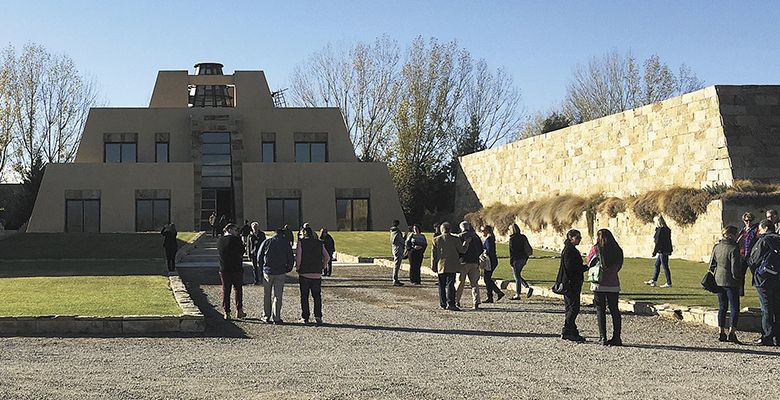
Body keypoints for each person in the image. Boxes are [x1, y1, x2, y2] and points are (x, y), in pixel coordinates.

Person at [586, 229, 624, 346]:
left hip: (599, 283)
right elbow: (619, 265)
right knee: (614, 310)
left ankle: (603, 337)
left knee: (600, 310)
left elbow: (589, 263)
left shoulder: (596, 249)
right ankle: (617, 337)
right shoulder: (618, 250)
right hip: (613, 283)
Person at [747, 219, 780, 346]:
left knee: (766, 308)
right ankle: (778, 337)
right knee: (777, 307)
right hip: (777, 278)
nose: (759, 232)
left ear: (765, 228)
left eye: (760, 229)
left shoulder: (763, 240)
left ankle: (767, 336)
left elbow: (754, 260)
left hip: (764, 279)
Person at [708, 225, 743, 344]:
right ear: (732, 235)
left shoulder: (717, 247)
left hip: (718, 280)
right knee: (734, 308)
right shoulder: (734, 248)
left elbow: (711, 265)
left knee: (722, 307)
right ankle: (732, 333)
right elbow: (735, 269)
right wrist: (738, 279)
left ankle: (721, 332)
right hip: (731, 282)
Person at [256, 228, 295, 324]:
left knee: (267, 294)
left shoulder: (267, 242)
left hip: (268, 271)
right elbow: (290, 257)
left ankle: (266, 316)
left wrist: (262, 268)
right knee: (278, 295)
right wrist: (288, 268)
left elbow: (259, 256)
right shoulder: (285, 243)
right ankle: (276, 317)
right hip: (280, 271)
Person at [557, 229, 587, 342]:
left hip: (570, 282)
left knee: (570, 307)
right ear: (571, 237)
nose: (579, 240)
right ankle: (567, 330)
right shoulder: (570, 251)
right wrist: (586, 267)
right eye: (577, 237)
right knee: (573, 307)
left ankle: (572, 331)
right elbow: (572, 268)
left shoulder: (570, 249)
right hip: (571, 283)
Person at [296, 226, 330, 325]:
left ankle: (305, 317)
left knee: (304, 296)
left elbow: (299, 257)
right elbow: (327, 257)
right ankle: (318, 315)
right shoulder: (319, 243)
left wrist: (298, 267)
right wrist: (323, 266)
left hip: (305, 273)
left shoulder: (301, 243)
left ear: (305, 233)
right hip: (317, 273)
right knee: (317, 296)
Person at [431, 222, 465, 311]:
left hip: (441, 265)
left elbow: (433, 255)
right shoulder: (455, 239)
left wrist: (433, 265)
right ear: (450, 229)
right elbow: (462, 251)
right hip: (452, 265)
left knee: (441, 285)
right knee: (450, 284)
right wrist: (466, 243)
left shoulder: (436, 240)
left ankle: (443, 304)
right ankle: (451, 303)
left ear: (441, 230)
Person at [217, 223, 246, 320]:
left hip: (224, 269)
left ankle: (227, 312)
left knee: (226, 290)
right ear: (230, 229)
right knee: (238, 289)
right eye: (235, 230)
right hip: (236, 268)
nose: (236, 232)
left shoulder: (220, 240)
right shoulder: (236, 240)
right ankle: (239, 310)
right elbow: (242, 251)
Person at [456, 221, 482, 309]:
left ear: (461, 228)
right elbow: (481, 249)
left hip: (463, 262)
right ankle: (476, 301)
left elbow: (458, 250)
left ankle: (456, 300)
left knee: (460, 282)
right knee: (474, 283)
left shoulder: (460, 236)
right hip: (474, 262)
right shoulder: (476, 237)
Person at [645, 215, 673, 288]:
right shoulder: (667, 229)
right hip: (665, 250)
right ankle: (654, 280)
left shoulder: (660, 230)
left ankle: (669, 283)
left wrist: (654, 252)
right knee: (657, 265)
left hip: (662, 251)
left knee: (665, 266)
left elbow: (658, 242)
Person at [480, 225, 505, 303]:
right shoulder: (490, 239)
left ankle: (496, 293)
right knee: (487, 278)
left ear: (487, 231)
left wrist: (484, 252)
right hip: (491, 260)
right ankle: (491, 296)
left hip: (490, 261)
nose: (482, 232)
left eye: (483, 230)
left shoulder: (489, 239)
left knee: (487, 278)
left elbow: (489, 250)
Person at [508, 224, 534, 299]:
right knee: (518, 275)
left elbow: (512, 252)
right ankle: (527, 288)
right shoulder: (523, 237)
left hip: (516, 259)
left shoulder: (512, 239)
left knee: (516, 276)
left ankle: (518, 294)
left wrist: (511, 262)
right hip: (524, 258)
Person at [737, 212, 759, 296]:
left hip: (751, 256)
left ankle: (759, 289)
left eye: (750, 220)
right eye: (746, 220)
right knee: (741, 274)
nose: (748, 222)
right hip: (742, 255)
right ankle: (740, 292)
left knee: (755, 274)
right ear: (743, 221)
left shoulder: (755, 230)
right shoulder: (742, 231)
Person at [390, 219, 406, 286]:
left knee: (396, 265)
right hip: (398, 249)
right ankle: (395, 280)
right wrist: (405, 236)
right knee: (397, 265)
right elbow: (402, 241)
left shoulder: (392, 232)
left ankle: (395, 279)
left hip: (394, 249)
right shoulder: (397, 232)